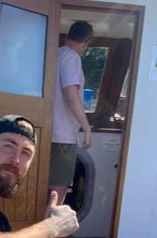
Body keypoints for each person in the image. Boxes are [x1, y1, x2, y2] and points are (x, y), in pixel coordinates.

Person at [50, 21, 94, 204]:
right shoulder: (72, 57)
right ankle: (50, 232)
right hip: (63, 135)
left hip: (48, 133)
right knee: (57, 192)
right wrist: (87, 128)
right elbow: (71, 95)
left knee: (43, 189)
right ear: (86, 42)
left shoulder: (55, 54)